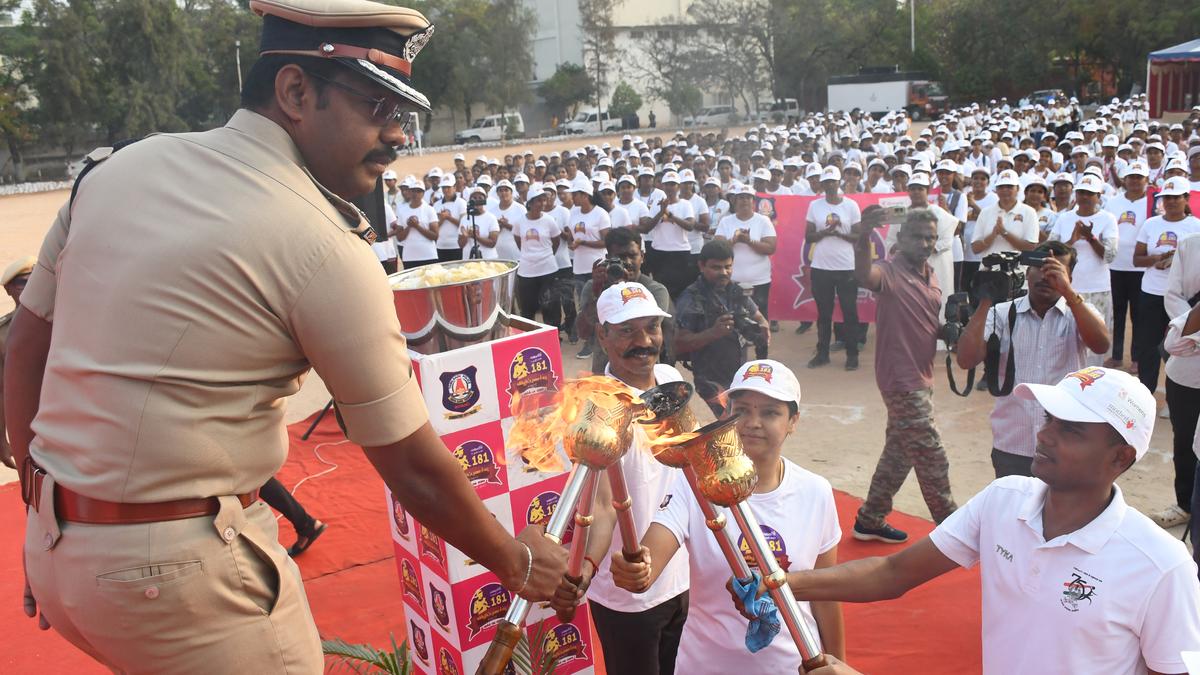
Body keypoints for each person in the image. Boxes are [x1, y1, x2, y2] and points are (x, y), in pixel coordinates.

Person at [4, 3, 567, 670]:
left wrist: (47, 510)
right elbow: (413, 466)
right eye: (376, 108)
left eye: (402, 115)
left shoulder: (119, 170)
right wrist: (515, 558)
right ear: (296, 91)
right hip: (180, 580)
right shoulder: (321, 242)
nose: (396, 136)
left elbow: (24, 347)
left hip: (62, 551)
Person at [777, 367, 1200, 675]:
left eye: (1071, 430)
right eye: (1049, 419)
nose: (1045, 435)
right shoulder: (1004, 500)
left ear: (1120, 457)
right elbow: (893, 571)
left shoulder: (1163, 566)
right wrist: (782, 584)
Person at [609, 359, 845, 674]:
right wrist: (635, 568)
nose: (753, 422)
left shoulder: (815, 492)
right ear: (726, 414)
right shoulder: (693, 484)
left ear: (793, 421)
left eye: (770, 412)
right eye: (742, 409)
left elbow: (825, 595)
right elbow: (651, 556)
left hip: (793, 666)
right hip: (706, 666)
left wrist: (840, 664)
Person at [550, 281, 690, 675]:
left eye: (651, 328)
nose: (643, 341)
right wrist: (588, 569)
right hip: (629, 593)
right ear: (602, 334)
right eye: (627, 331)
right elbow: (599, 504)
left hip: (680, 574)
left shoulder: (667, 378)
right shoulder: (595, 413)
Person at [956, 241, 1111, 478]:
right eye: (1038, 267)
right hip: (1012, 441)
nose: (1045, 275)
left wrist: (1069, 293)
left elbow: (1101, 344)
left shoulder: (1079, 313)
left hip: (1064, 443)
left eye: (1055, 269)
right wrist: (986, 299)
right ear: (1027, 272)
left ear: (1069, 277)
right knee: (1013, 512)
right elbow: (966, 359)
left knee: (1062, 512)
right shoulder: (1000, 312)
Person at [852, 208, 957, 542]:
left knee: (900, 452)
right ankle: (953, 526)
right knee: (931, 452)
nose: (925, 243)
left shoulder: (932, 274)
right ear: (901, 239)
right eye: (918, 237)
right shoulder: (888, 271)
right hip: (901, 379)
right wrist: (862, 237)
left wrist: (947, 331)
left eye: (930, 237)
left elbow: (926, 320)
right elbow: (863, 276)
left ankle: (870, 517)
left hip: (923, 377)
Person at [674, 240, 769, 416]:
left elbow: (759, 318)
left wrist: (762, 327)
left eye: (728, 267)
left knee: (740, 423)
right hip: (710, 379)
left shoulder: (735, 290)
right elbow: (678, 344)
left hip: (739, 375)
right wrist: (713, 333)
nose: (724, 273)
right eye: (716, 268)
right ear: (701, 266)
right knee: (732, 422)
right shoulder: (692, 298)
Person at [1133, 176, 1200, 395]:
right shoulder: (1151, 224)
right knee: (1148, 346)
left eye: (1175, 197)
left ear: (1186, 198)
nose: (1170, 202)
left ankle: (1175, 395)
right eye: (1166, 198)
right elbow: (1137, 259)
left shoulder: (1196, 226)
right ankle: (1145, 393)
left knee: (1180, 345)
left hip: (1184, 297)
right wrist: (1157, 260)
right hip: (1152, 292)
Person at [576, 227, 674, 374]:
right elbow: (583, 332)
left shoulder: (655, 290)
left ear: (642, 256)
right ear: (608, 257)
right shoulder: (594, 286)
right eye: (620, 257)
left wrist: (622, 288)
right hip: (605, 375)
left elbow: (641, 328)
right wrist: (598, 293)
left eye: (632, 255)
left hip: (643, 373)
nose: (627, 262)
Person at [1156, 232, 1200, 530]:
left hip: (1188, 341)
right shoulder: (1190, 244)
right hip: (1187, 362)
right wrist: (1195, 336)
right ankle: (1185, 503)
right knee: (1184, 437)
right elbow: (1173, 295)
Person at [1047, 174, 1118, 359]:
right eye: (1081, 192)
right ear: (1075, 195)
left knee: (1094, 345)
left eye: (1090, 193)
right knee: (1063, 342)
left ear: (1098, 197)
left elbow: (1110, 255)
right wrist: (1073, 239)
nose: (1085, 197)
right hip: (1065, 288)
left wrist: (1091, 238)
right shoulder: (1064, 218)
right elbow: (1050, 251)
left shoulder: (1108, 219)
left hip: (1097, 289)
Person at [805, 166, 862, 370]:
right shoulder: (815, 206)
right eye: (826, 182)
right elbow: (808, 236)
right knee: (824, 314)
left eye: (833, 181)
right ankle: (822, 354)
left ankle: (852, 354)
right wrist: (825, 233)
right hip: (821, 266)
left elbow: (858, 235)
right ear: (822, 184)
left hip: (846, 266)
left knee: (849, 312)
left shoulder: (851, 206)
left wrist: (839, 234)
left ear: (840, 183)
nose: (830, 185)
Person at [713, 184, 777, 343]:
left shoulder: (763, 221)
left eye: (748, 198)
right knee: (732, 319)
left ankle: (762, 354)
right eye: (740, 197)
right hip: (731, 281)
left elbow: (770, 248)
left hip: (759, 281)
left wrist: (749, 241)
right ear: (734, 201)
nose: (744, 201)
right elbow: (717, 249)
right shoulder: (726, 221)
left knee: (760, 321)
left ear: (753, 201)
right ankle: (735, 355)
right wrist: (735, 240)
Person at [1102, 162, 1149, 369]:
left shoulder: (1151, 203)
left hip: (1140, 268)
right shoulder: (1113, 202)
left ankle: (1137, 358)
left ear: (1146, 180)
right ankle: (1117, 355)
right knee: (1117, 314)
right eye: (1131, 177)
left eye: (1139, 177)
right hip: (1116, 266)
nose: (1135, 181)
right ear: (1125, 180)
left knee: (1137, 316)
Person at [641, 172, 697, 300]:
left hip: (680, 252)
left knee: (681, 289)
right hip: (659, 252)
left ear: (678, 187)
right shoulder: (657, 203)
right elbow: (647, 228)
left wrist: (670, 215)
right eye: (667, 184)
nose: (670, 187)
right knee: (661, 289)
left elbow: (690, 226)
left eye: (673, 184)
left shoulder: (685, 204)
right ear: (663, 187)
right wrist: (661, 212)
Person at [0, 256, 33, 470]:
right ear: (9, 289)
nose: (31, 286)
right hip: (26, 423)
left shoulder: (64, 322)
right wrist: (1, 440)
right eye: (23, 282)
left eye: (35, 280)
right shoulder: (2, 335)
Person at [514, 186, 563, 325]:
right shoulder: (519, 222)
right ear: (530, 203)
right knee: (527, 309)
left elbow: (556, 241)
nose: (542, 203)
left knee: (551, 307)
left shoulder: (549, 220)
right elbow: (519, 242)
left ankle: (554, 337)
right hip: (526, 271)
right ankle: (530, 339)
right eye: (538, 201)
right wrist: (530, 255)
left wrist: (546, 255)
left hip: (548, 269)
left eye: (543, 200)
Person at [970, 169, 1039, 257]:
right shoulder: (986, 212)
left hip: (1018, 269)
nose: (1005, 190)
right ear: (996, 190)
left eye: (1009, 186)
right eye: (1001, 187)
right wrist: (992, 235)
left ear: (1017, 189)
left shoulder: (1029, 212)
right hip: (989, 268)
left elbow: (1031, 247)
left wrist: (1004, 233)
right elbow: (975, 248)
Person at [393, 176, 439, 268]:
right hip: (409, 257)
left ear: (423, 193)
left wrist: (417, 226)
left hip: (428, 255)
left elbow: (435, 236)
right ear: (409, 192)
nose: (416, 193)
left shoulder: (429, 210)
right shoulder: (402, 211)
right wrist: (409, 226)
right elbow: (399, 238)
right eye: (413, 191)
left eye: (419, 191)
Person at [457, 187, 500, 259]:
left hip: (488, 259)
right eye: (474, 198)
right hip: (469, 260)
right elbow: (460, 245)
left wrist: (476, 237)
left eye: (480, 198)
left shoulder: (491, 218)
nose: (477, 200)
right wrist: (465, 236)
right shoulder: (465, 218)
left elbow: (492, 243)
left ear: (485, 200)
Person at [433, 173, 466, 262]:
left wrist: (449, 218)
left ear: (454, 187)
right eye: (444, 187)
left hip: (456, 245)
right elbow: (434, 227)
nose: (446, 190)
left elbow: (464, 225)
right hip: (440, 246)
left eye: (448, 187)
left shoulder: (461, 203)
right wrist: (442, 220)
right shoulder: (436, 205)